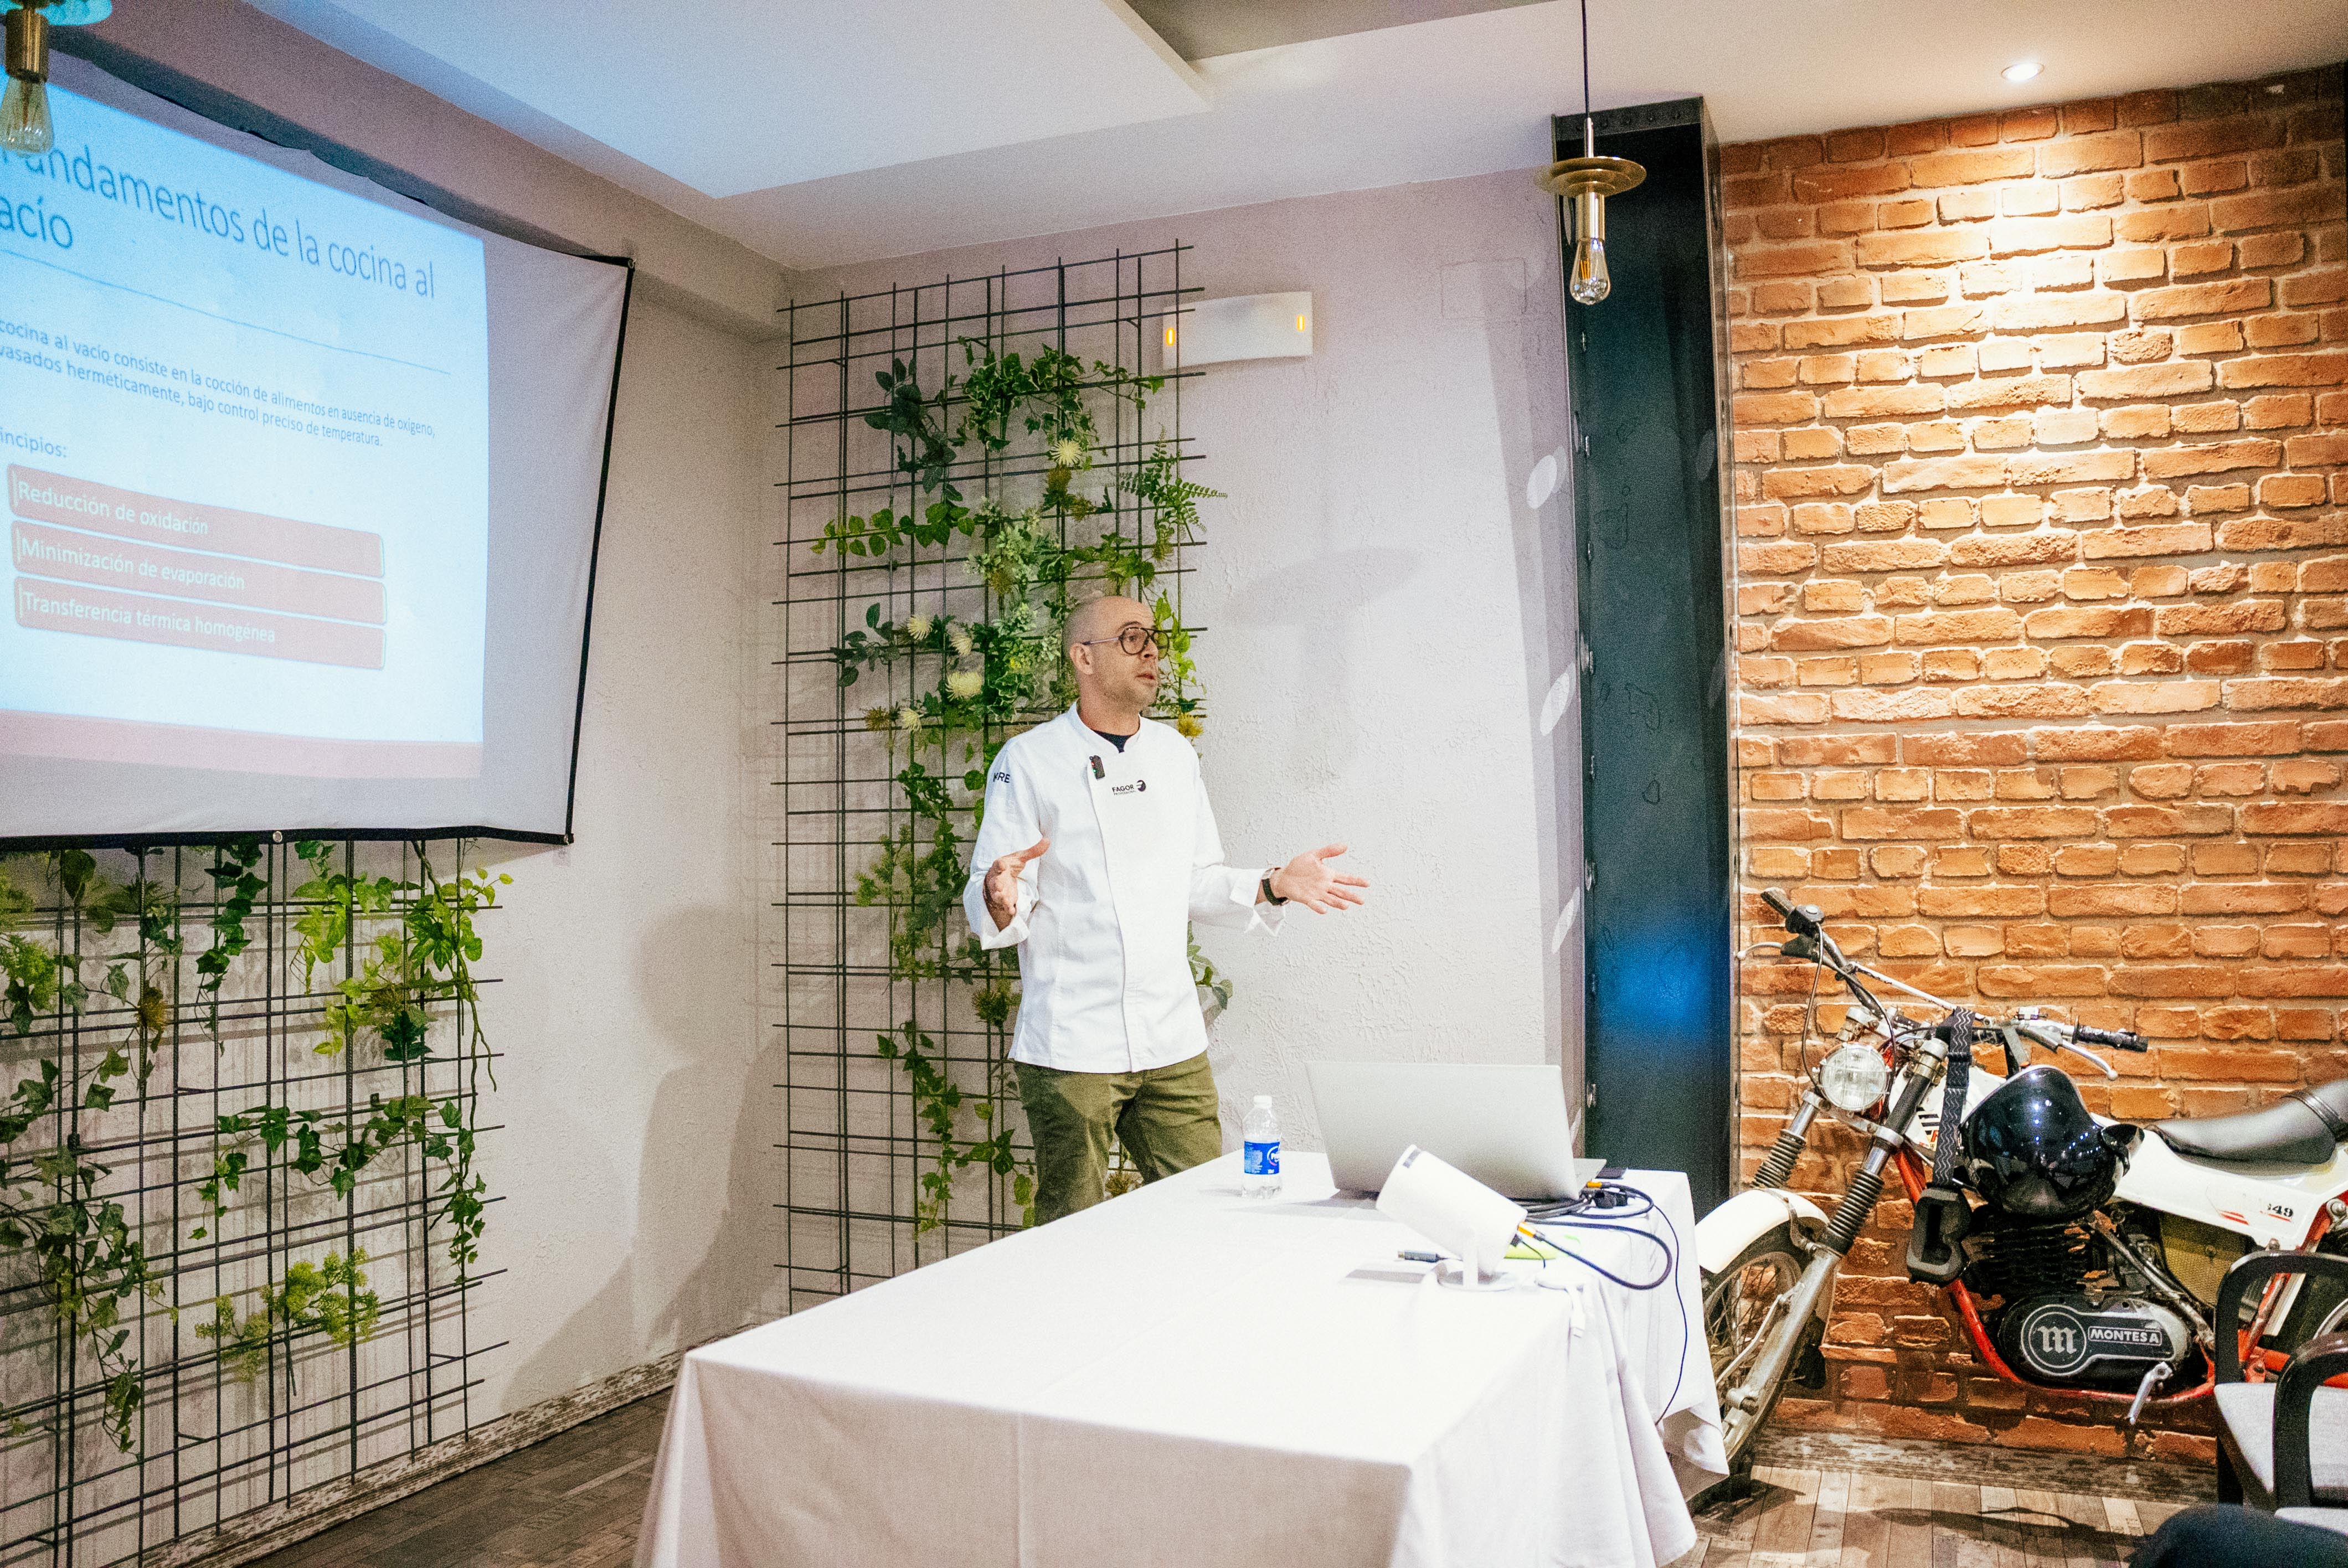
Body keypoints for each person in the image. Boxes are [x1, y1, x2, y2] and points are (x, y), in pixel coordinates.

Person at [962, 595, 1367, 1224]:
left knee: (1208, 1212)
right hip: (1074, 1044)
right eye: (1131, 638)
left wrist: (1274, 885)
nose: (1151, 651)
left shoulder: (1175, 755)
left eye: (1153, 638)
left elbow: (1194, 881)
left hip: (1171, 1038)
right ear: (1083, 657)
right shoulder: (1030, 760)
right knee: (1069, 1227)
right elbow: (1002, 884)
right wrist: (998, 894)